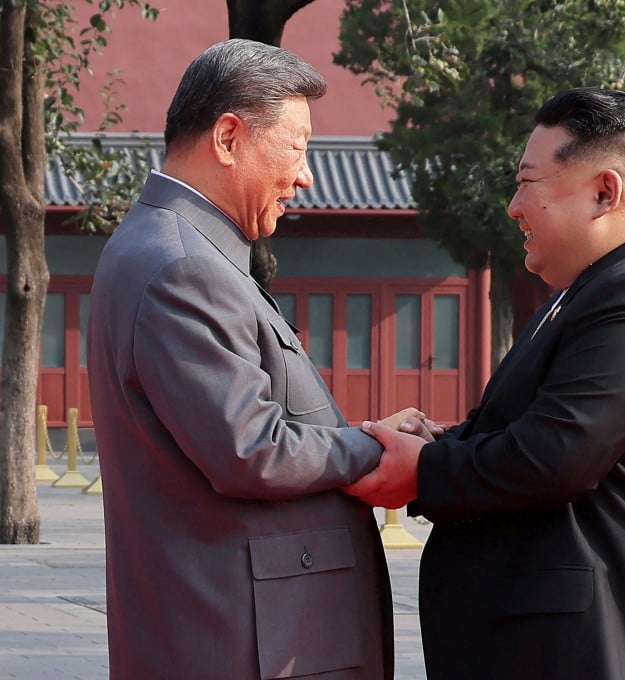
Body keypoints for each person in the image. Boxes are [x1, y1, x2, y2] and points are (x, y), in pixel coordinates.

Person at [347, 88, 625, 679]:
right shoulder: (593, 288)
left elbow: (555, 457)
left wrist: (424, 469)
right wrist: (443, 445)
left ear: (604, 192)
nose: (514, 207)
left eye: (527, 184)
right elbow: (541, 429)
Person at [88, 39, 437, 680]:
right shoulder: (184, 266)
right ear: (229, 137)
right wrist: (374, 447)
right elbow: (251, 447)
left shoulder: (180, 249)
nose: (306, 176)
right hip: (237, 638)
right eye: (298, 147)